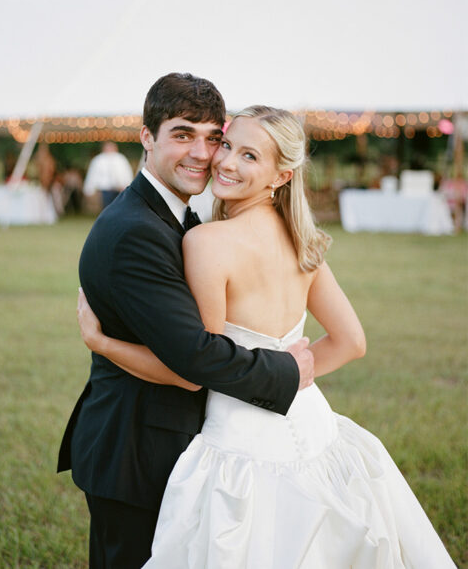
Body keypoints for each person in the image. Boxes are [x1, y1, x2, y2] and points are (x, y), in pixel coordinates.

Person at [77, 105, 455, 567]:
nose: (226, 162)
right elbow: (350, 341)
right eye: (228, 145)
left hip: (238, 443)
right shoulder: (302, 239)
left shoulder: (208, 243)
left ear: (281, 175)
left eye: (250, 156)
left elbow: (194, 369)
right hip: (315, 428)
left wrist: (103, 343)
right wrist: (293, 371)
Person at [58, 73, 315, 569]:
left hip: (171, 443)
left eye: (212, 138)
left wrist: (102, 342)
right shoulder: (135, 230)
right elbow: (191, 361)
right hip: (134, 453)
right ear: (147, 137)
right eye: (182, 135)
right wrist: (284, 371)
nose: (203, 153)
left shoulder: (179, 217)